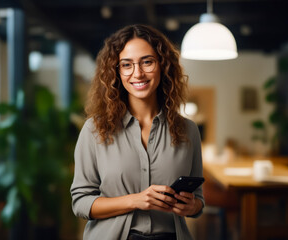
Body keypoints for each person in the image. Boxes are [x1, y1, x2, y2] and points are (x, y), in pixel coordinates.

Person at [70, 24, 204, 240]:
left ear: (163, 65)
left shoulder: (189, 131)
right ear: (117, 71)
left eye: (147, 62)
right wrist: (136, 200)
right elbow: (81, 203)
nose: (138, 73)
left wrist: (192, 206)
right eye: (126, 65)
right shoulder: (94, 130)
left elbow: (198, 201)